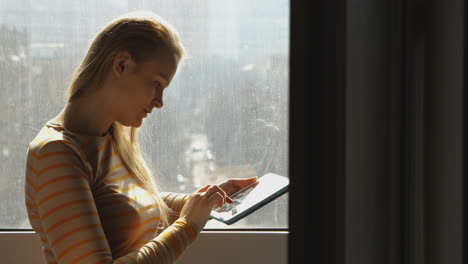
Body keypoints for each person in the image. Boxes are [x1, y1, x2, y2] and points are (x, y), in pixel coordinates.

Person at [24, 11, 257, 264]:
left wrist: (201, 201)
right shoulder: (56, 154)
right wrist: (188, 226)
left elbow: (128, 208)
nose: (159, 102)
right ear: (121, 65)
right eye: (157, 84)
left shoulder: (110, 137)